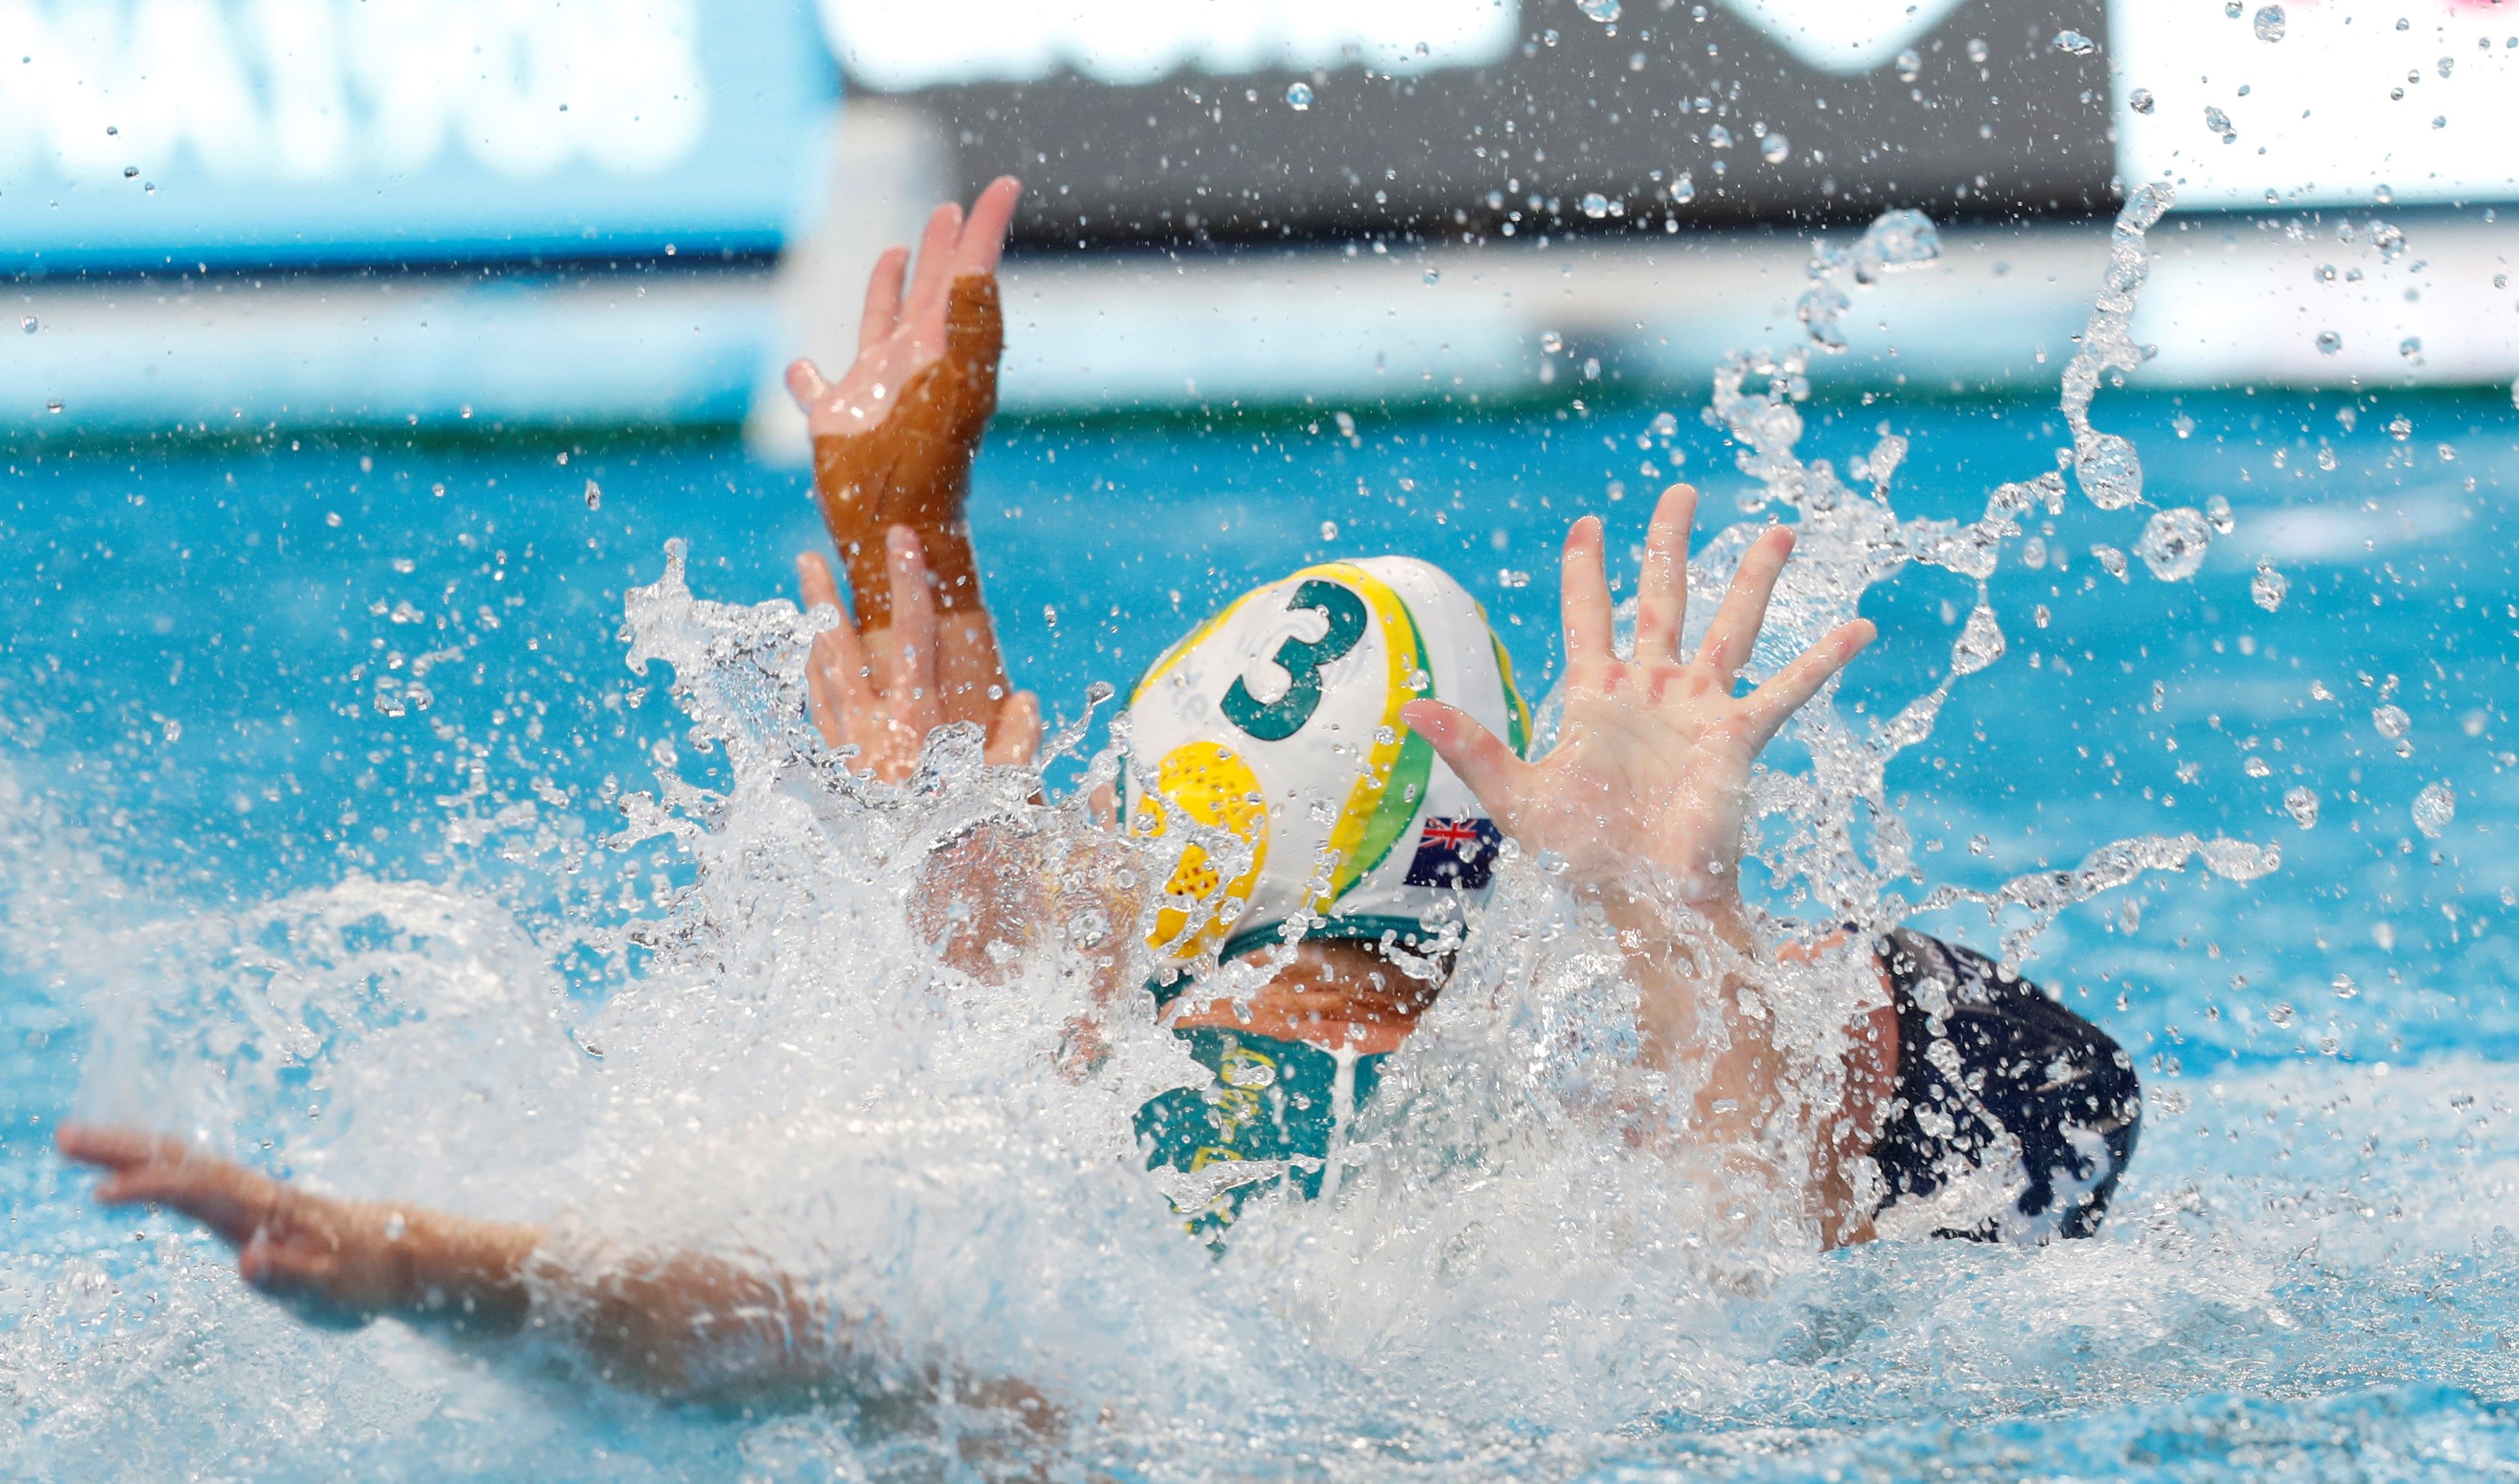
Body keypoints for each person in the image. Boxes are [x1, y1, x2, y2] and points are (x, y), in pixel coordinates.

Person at [57, 181, 2140, 1402]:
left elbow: (875, 1337)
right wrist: (910, 547)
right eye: (1772, 956)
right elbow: (976, 1076)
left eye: (1799, 1010)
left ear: (1899, 1195)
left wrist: (427, 1262)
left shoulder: (1600, 1302)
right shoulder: (1454, 1202)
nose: (1735, 980)